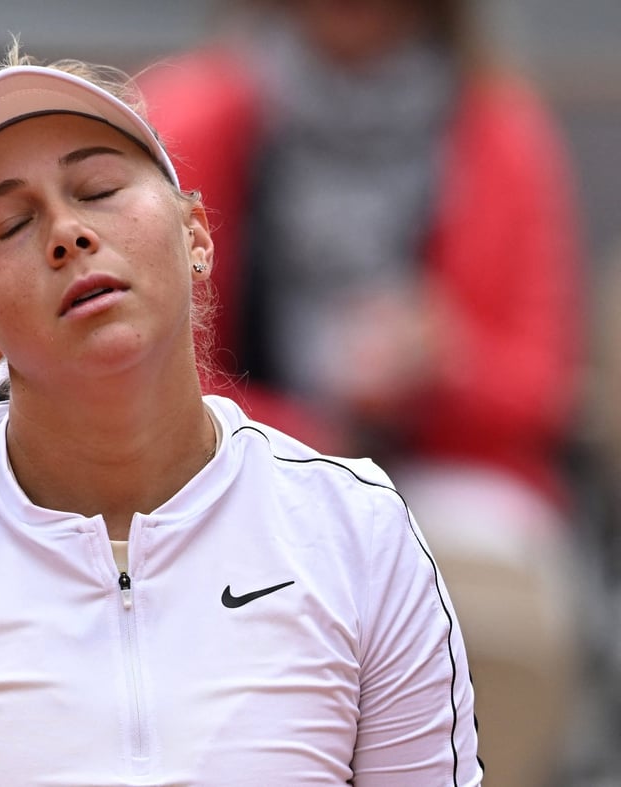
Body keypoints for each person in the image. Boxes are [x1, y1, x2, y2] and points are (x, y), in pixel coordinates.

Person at [0, 45, 483, 785]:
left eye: (97, 188)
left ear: (195, 234)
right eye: (10, 225)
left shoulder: (359, 530)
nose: (68, 233)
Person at [138, 2, 582, 783]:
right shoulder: (190, 115)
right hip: (235, 465)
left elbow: (541, 387)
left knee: (481, 609)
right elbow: (154, 368)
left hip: (449, 470)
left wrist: (446, 361)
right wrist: (306, 435)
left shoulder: (502, 134)